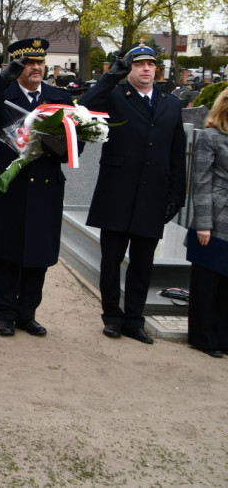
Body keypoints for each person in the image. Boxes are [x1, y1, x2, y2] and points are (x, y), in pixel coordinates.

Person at [0, 38, 74, 337]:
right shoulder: (2, 93)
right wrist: (0, 79)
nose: (36, 67)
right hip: (10, 185)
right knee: (8, 250)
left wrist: (62, 146)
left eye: (40, 62)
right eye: (29, 62)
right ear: (17, 65)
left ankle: (28, 314)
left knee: (38, 252)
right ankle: (5, 314)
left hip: (45, 184)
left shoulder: (57, 96)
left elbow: (77, 138)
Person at [78, 44, 186, 344]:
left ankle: (134, 319)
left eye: (150, 64)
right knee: (111, 260)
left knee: (143, 262)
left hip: (153, 194)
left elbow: (178, 153)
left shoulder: (171, 104)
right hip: (117, 192)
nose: (146, 69)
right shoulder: (115, 96)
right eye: (139, 65)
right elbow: (84, 107)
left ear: (157, 70)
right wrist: (112, 76)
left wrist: (177, 194)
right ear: (131, 69)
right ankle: (112, 317)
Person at [186, 87, 228, 357]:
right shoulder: (212, 136)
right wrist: (203, 223)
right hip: (214, 216)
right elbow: (200, 182)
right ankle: (205, 338)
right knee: (208, 283)